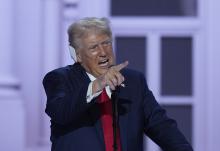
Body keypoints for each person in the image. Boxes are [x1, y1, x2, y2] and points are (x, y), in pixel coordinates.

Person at [43, 17, 193, 151]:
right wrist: (97, 85)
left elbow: (162, 126)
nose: (103, 52)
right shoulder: (59, 78)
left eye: (106, 43)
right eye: (94, 47)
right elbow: (60, 111)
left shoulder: (134, 81)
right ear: (77, 55)